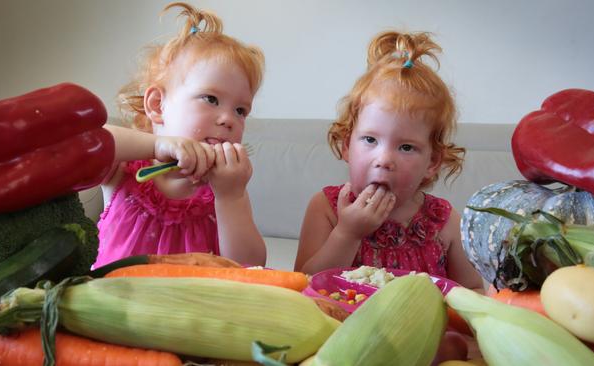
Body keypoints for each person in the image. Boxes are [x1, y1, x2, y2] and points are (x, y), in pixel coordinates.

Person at [294, 31, 482, 291]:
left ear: (432, 162)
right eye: (370, 140)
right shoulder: (325, 209)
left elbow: (472, 290)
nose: (384, 160)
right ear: (347, 145)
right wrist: (347, 234)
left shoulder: (445, 222)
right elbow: (305, 286)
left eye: (406, 147)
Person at [93, 2, 266, 269]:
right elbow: (89, 143)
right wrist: (157, 145)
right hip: (113, 305)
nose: (229, 119)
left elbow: (250, 268)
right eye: (211, 99)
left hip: (191, 310)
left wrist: (231, 198)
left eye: (241, 110)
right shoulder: (124, 170)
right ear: (157, 105)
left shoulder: (223, 189)